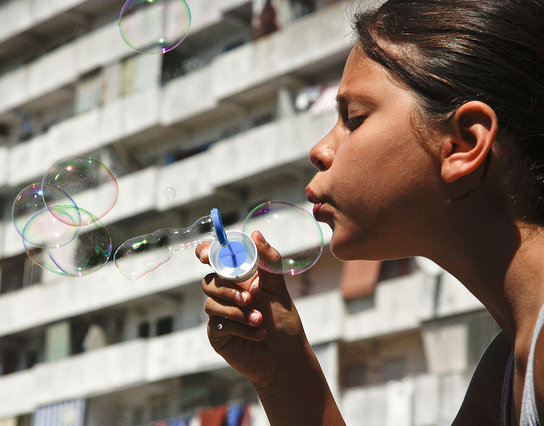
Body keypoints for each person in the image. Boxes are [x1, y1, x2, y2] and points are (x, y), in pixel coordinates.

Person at [195, 0, 544, 424]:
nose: (319, 150)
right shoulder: (505, 371)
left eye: (354, 118)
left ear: (462, 145)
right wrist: (283, 367)